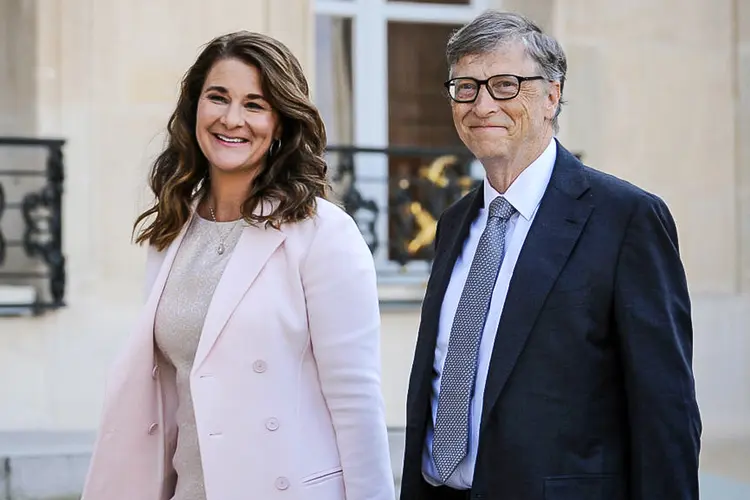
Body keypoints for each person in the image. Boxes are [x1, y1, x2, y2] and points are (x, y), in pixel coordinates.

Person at [400, 10, 701, 500]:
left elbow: (664, 411)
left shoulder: (625, 218)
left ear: (552, 96)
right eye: (466, 87)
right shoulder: (455, 223)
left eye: (504, 85)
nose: (482, 104)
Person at [81, 31, 395, 500]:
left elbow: (356, 402)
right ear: (195, 109)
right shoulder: (171, 232)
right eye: (218, 98)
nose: (232, 119)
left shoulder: (323, 235)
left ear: (282, 123)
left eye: (255, 104)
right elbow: (171, 394)